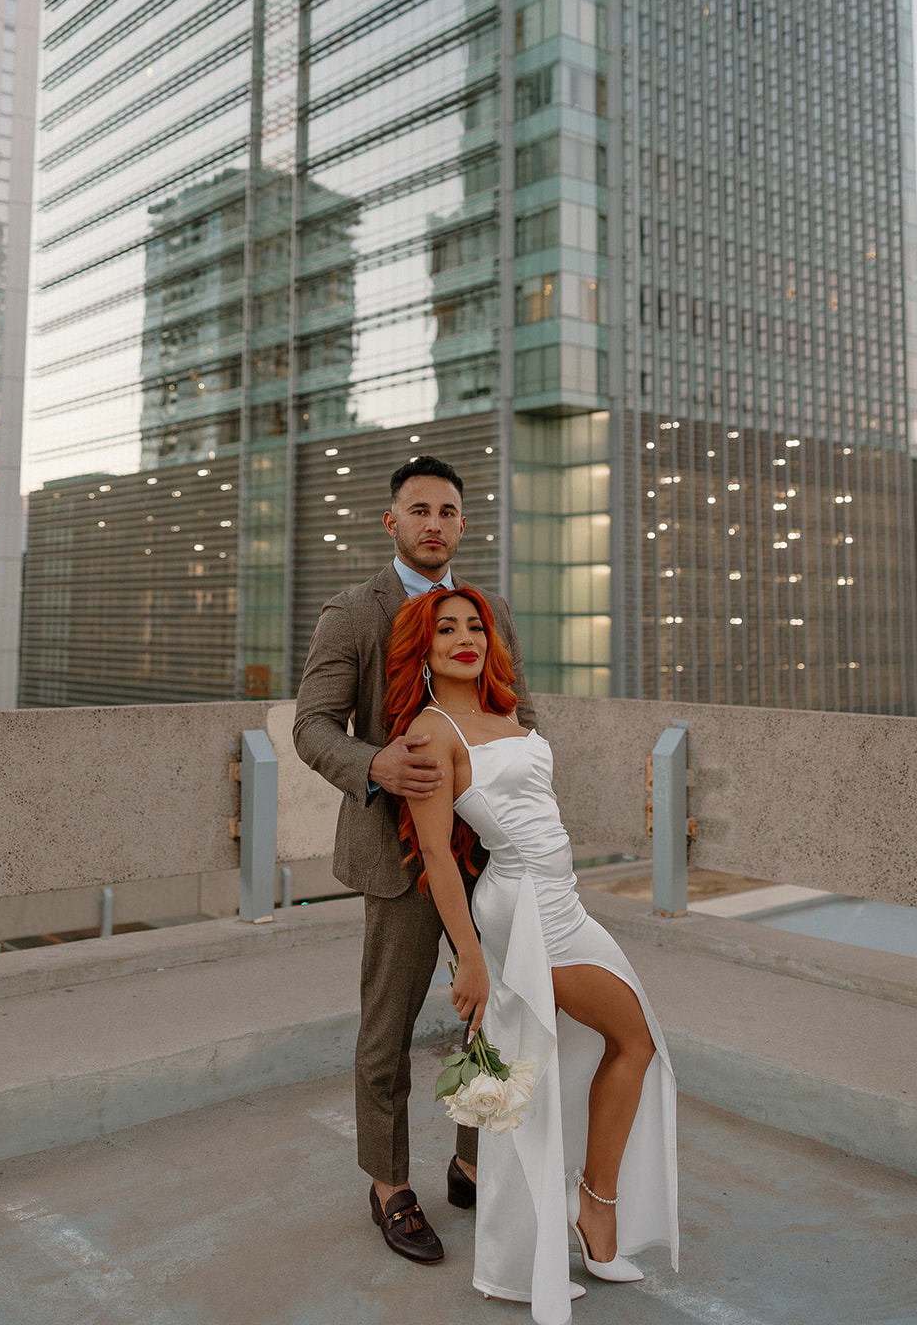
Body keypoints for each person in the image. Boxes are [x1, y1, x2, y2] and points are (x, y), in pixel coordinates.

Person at [383, 583, 679, 1325]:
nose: (465, 638)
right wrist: (472, 958)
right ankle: (571, 1223)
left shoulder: (505, 711)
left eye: (474, 626)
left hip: (565, 900)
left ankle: (584, 1209)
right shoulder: (429, 732)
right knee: (621, 1042)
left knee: (601, 1053)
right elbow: (437, 857)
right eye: (445, 628)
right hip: (521, 911)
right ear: (423, 647)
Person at [293, 455, 537, 1265]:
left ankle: (470, 1160)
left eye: (448, 511)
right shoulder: (353, 614)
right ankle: (389, 1185)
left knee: (490, 1015)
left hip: (486, 854)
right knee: (387, 1031)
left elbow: (518, 712)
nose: (434, 522)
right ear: (391, 522)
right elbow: (311, 725)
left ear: (463, 525)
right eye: (418, 510)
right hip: (395, 862)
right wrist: (375, 765)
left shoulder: (484, 608)